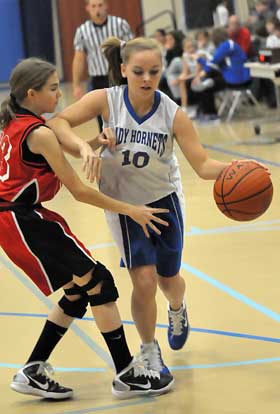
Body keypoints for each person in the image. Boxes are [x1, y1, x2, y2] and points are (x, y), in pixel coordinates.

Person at [48, 36, 231, 380]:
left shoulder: (172, 113)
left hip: (163, 201)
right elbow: (58, 123)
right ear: (122, 70)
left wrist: (239, 168)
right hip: (123, 204)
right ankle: (148, 348)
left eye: (154, 72)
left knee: (169, 279)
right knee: (144, 281)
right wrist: (85, 148)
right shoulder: (105, 100)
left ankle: (177, 308)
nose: (146, 79)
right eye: (138, 72)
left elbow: (203, 165)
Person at [0, 58, 174, 401]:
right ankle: (127, 374)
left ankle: (33, 368)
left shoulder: (18, 124)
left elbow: (62, 152)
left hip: (16, 219)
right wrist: (132, 210)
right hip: (23, 221)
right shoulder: (39, 133)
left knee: (79, 292)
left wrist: (95, 142)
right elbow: (79, 191)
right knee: (100, 283)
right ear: (31, 93)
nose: (58, 96)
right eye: (52, 89)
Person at [72, 0, 133, 131]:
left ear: (106, 6)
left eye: (100, 5)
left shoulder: (120, 24)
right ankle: (107, 147)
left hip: (120, 76)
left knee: (124, 113)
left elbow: (131, 50)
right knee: (102, 118)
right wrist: (77, 85)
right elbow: (79, 59)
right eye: (93, 6)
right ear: (88, 8)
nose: (97, 9)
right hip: (98, 79)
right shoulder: (82, 31)